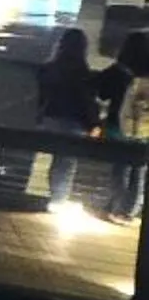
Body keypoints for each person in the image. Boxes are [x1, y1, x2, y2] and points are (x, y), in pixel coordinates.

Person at [35, 25, 103, 207]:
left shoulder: (48, 69)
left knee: (57, 160)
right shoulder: (83, 73)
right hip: (73, 123)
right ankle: (58, 200)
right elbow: (86, 102)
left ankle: (55, 198)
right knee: (65, 162)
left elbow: (41, 98)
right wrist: (94, 124)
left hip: (49, 120)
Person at [98, 30, 149, 222]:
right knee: (139, 169)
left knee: (120, 167)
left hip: (117, 125)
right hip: (144, 129)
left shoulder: (118, 70)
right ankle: (129, 210)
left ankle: (118, 208)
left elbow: (101, 92)